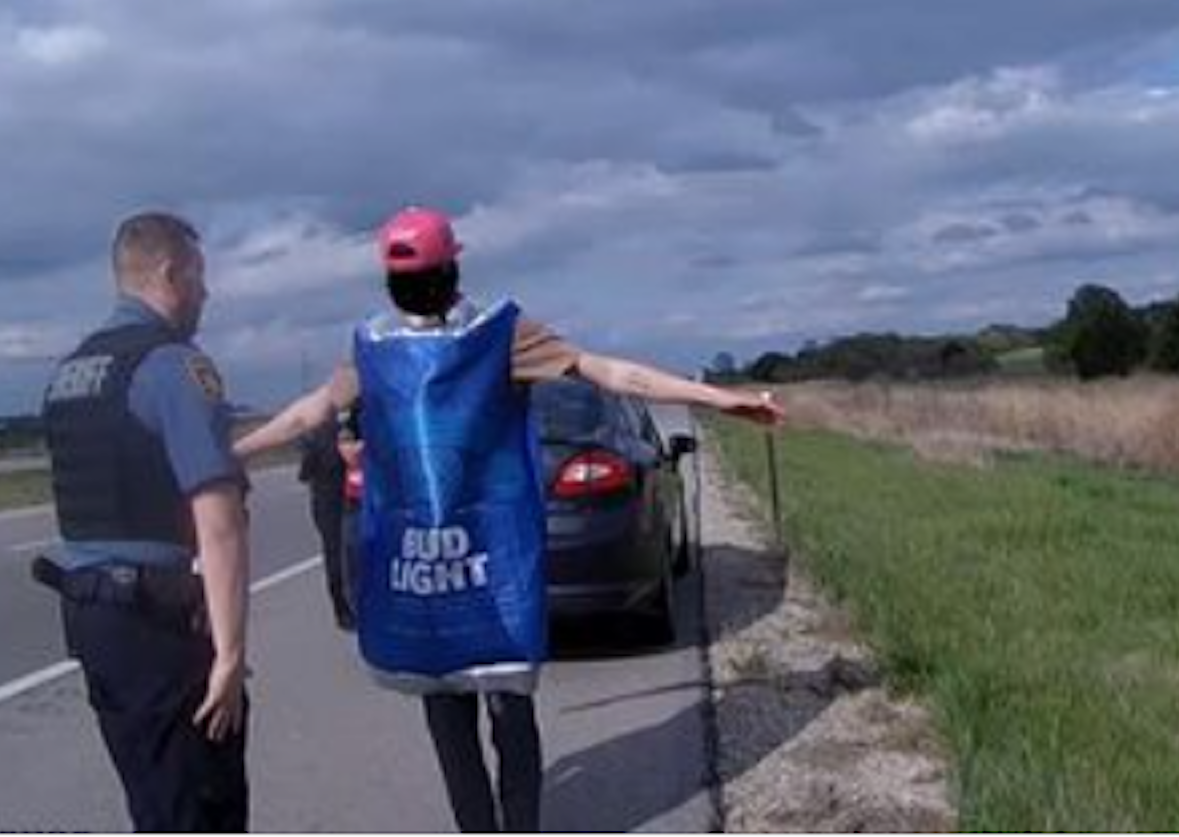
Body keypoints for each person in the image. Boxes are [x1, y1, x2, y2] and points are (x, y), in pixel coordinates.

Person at [236, 206, 783, 833]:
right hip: (491, 558)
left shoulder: (376, 348)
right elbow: (612, 372)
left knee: (445, 705)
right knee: (507, 702)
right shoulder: (502, 333)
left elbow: (309, 413)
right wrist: (721, 399)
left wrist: (228, 455)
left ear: (390, 281)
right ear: (454, 268)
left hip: (427, 564)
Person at [34, 212, 251, 832]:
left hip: (93, 618)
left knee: (152, 801)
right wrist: (231, 657)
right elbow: (220, 522)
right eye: (200, 277)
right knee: (202, 806)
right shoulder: (173, 366)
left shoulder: (72, 372)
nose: (206, 293)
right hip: (160, 623)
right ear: (169, 272)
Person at [297, 402, 355, 630]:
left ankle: (343, 609)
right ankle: (348, 606)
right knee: (346, 554)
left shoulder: (317, 438)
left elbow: (304, 473)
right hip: (342, 499)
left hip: (329, 501)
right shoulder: (343, 434)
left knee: (335, 554)